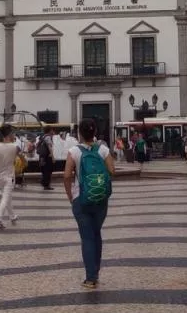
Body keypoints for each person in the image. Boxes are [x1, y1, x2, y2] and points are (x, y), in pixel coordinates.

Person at [64, 117, 115, 289]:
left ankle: (91, 277)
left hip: (81, 198)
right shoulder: (103, 149)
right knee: (96, 233)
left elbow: (66, 176)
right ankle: (96, 272)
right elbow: (112, 170)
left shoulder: (74, 151)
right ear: (95, 133)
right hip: (100, 198)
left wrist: (70, 195)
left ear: (80, 133)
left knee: (87, 237)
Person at [0, 123, 20, 230]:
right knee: (5, 198)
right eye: (13, 133)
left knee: (8, 197)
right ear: (9, 134)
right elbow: (23, 158)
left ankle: (13, 217)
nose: (14, 135)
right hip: (9, 177)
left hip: (0, 177)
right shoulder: (15, 147)